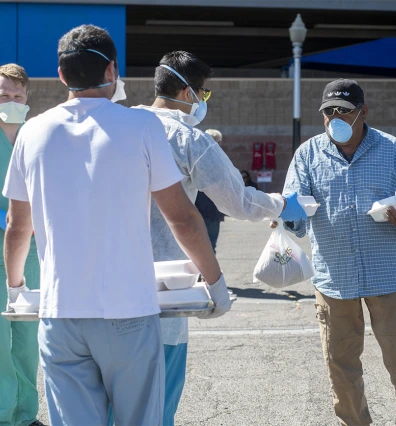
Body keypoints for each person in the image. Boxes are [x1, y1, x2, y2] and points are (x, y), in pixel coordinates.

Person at [3, 26, 231, 426]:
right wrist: (215, 284)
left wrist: (15, 287)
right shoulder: (141, 127)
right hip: (129, 310)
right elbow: (183, 218)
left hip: (62, 314)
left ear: (61, 75)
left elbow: (18, 227)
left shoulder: (32, 132)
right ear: (112, 70)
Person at [129, 51, 306, 426]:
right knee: (156, 404)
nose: (203, 102)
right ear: (187, 91)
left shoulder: (122, 125)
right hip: (165, 291)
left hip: (105, 288)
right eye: (203, 94)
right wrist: (282, 205)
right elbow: (236, 202)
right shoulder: (187, 139)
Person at [281, 79, 396, 426]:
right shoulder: (308, 154)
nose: (335, 117)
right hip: (334, 279)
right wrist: (288, 213)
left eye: (344, 111)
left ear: (363, 112)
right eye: (328, 112)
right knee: (341, 365)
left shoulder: (393, 150)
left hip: (387, 277)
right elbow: (295, 211)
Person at [0, 64, 44, 426]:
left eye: (17, 96)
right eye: (3, 95)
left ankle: (25, 413)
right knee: (0, 342)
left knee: (29, 338)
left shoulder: (35, 135)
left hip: (31, 251)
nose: (11, 101)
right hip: (3, 244)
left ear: (27, 98)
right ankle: (3, 414)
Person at [195, 130, 224, 252]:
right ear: (219, 143)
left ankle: (201, 270)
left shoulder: (195, 155)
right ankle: (208, 271)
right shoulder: (220, 159)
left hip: (196, 208)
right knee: (210, 245)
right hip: (212, 209)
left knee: (197, 246)